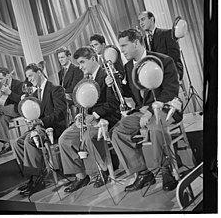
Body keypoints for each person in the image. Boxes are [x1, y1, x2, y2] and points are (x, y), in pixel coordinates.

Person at [106, 28, 180, 192]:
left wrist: (149, 110)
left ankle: (166, 170)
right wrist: (114, 84)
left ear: (136, 43)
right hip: (141, 110)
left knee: (156, 127)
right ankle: (143, 173)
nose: (122, 50)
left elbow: (171, 90)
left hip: (165, 107)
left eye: (124, 45)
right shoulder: (127, 67)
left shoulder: (163, 60)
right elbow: (129, 93)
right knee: (117, 132)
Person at [59, 46, 121, 193]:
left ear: (93, 59)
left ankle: (99, 172)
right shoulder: (85, 79)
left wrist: (94, 116)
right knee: (64, 139)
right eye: (78, 63)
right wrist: (80, 116)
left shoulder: (108, 75)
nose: (80, 67)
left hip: (105, 118)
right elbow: (82, 103)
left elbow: (113, 104)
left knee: (87, 137)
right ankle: (81, 176)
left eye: (82, 62)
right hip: (88, 119)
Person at [12, 63, 68, 196]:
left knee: (29, 141)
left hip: (54, 128)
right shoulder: (36, 93)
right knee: (17, 143)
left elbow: (60, 112)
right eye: (27, 77)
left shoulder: (55, 88)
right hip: (40, 127)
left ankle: (37, 179)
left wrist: (41, 121)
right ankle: (32, 177)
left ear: (39, 72)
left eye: (31, 75)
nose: (29, 79)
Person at [138, 11, 184, 80]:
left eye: (143, 19)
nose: (141, 23)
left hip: (171, 71)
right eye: (139, 21)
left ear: (151, 19)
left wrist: (161, 69)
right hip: (156, 76)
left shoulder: (167, 33)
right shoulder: (143, 41)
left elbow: (174, 55)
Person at [56, 47, 83, 121]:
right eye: (59, 58)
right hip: (64, 97)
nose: (60, 60)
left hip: (73, 97)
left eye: (62, 57)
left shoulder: (76, 69)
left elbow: (75, 87)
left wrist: (61, 92)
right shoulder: (60, 73)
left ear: (68, 57)